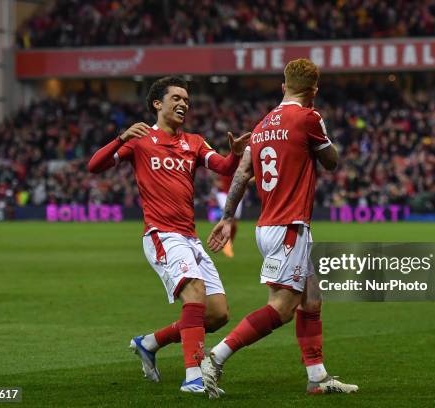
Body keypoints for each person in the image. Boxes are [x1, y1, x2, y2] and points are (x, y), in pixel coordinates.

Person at [201, 59, 358, 398]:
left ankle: (317, 378)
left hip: (270, 224)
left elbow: (242, 174)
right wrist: (322, 133)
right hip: (290, 228)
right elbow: (331, 163)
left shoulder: (261, 126)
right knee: (282, 308)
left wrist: (228, 217)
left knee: (312, 300)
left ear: (282, 85)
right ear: (314, 90)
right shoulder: (309, 118)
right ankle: (216, 357)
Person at [87, 76, 250, 393]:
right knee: (195, 293)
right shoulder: (140, 140)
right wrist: (120, 138)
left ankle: (149, 342)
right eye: (176, 98)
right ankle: (194, 378)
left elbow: (223, 167)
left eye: (187, 100)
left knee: (217, 314)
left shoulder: (194, 142)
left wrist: (235, 154)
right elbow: (95, 166)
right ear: (157, 103)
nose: (183, 104)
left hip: (190, 237)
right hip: (162, 234)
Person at [213, 174, 243, 257]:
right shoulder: (223, 161)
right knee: (228, 218)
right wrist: (215, 181)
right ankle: (226, 245)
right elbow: (213, 172)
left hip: (237, 193)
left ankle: (229, 243)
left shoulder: (242, 162)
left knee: (235, 224)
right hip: (223, 193)